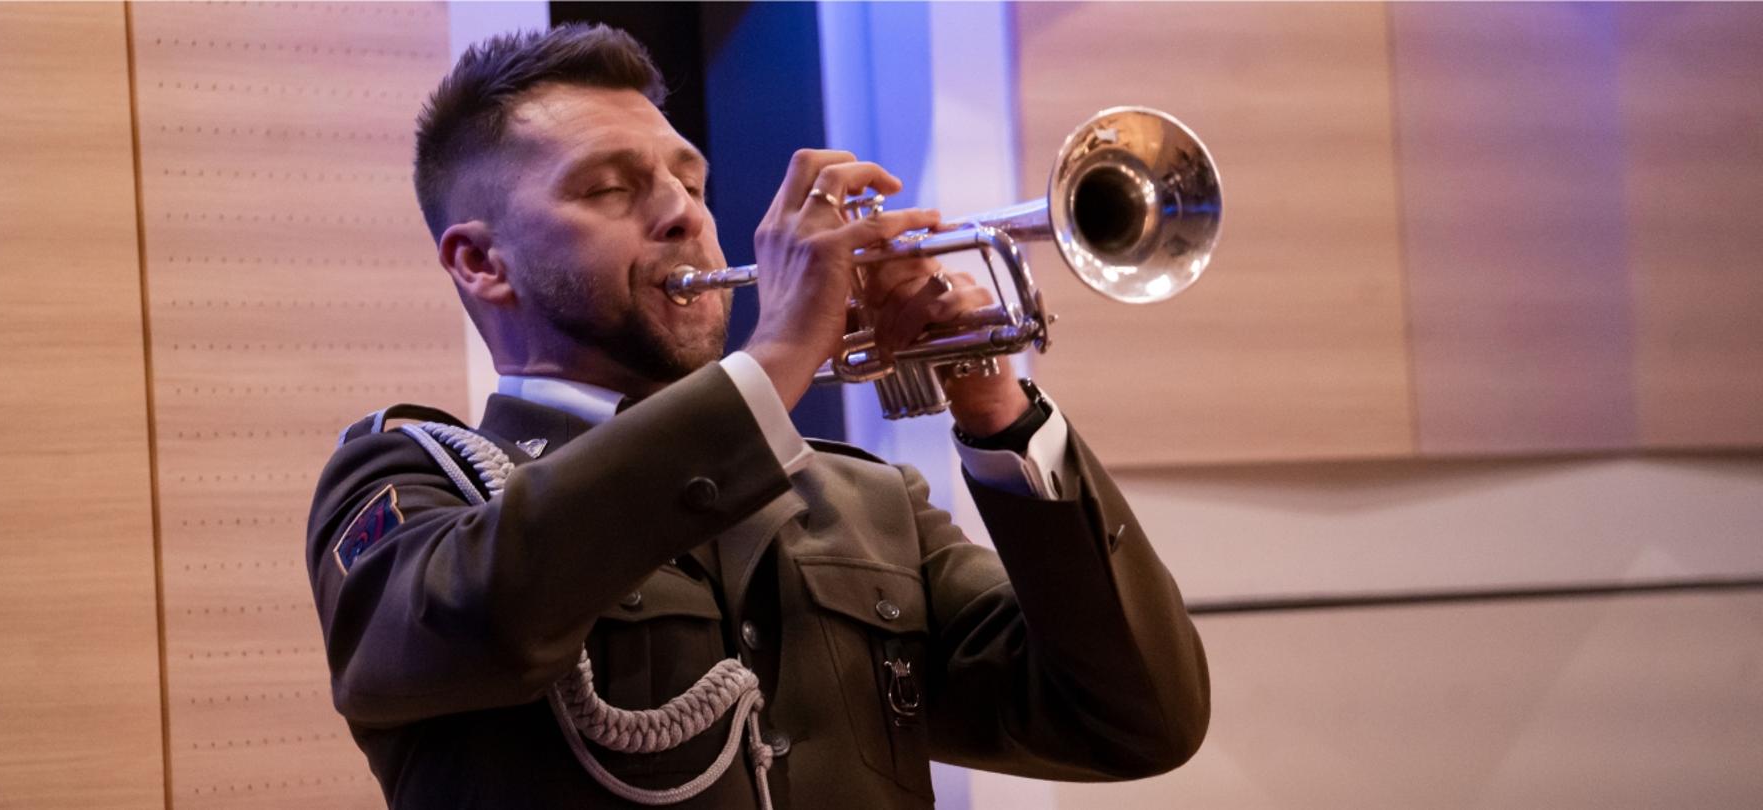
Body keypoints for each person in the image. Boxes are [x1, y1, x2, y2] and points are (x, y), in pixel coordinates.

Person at [306, 23, 1208, 810]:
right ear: (480, 263)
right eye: (610, 188)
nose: (683, 215)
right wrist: (776, 356)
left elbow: (1135, 720)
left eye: (691, 182)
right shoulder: (413, 482)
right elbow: (487, 621)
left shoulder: (868, 501)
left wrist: (992, 402)